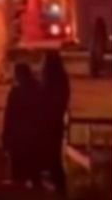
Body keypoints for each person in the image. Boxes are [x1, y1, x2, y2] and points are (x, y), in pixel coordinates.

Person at [2, 62, 42, 188]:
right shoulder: (38, 90)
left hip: (19, 135)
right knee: (33, 166)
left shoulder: (16, 93)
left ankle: (20, 187)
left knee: (18, 169)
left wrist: (6, 135)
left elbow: (9, 116)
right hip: (33, 134)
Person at [38, 51, 70, 196]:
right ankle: (59, 187)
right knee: (53, 155)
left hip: (48, 122)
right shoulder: (62, 80)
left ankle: (57, 187)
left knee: (51, 157)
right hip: (56, 122)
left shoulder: (48, 82)